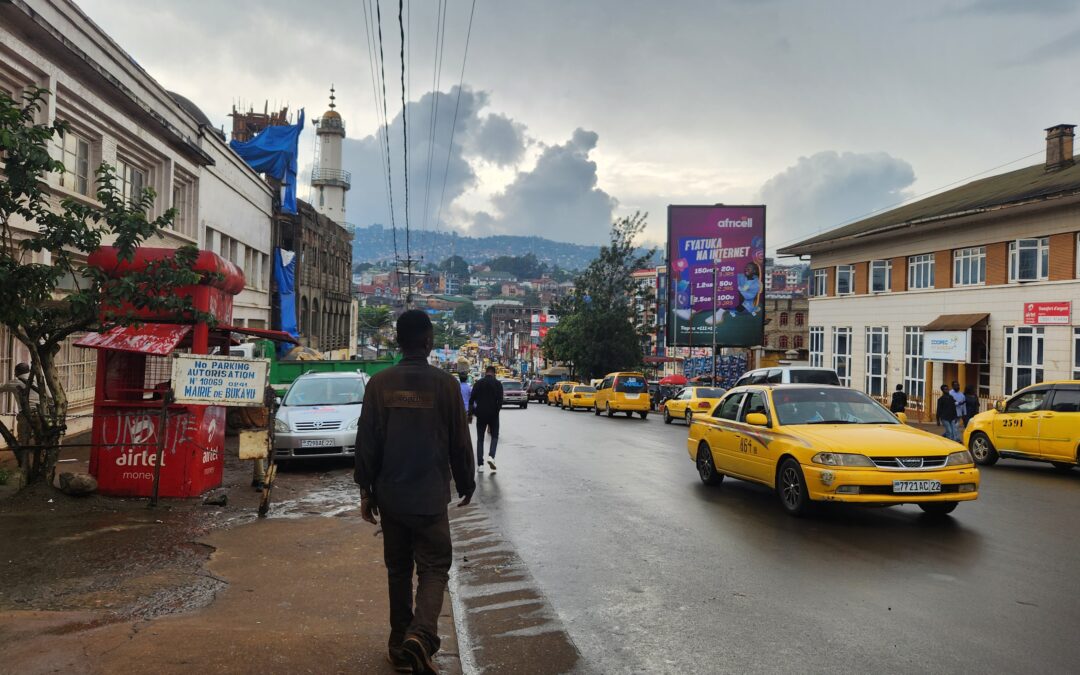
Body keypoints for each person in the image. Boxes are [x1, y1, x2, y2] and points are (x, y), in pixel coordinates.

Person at [355, 310, 475, 675]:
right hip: (429, 497)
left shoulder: (379, 384)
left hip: (391, 496)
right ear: (428, 342)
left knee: (398, 569)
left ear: (398, 341)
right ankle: (421, 637)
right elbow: (460, 442)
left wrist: (366, 490)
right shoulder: (446, 385)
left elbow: (367, 442)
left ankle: (398, 644)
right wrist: (466, 483)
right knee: (435, 566)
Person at [469, 366, 504, 473]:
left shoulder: (478, 383)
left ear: (486, 372)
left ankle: (480, 465)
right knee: (494, 436)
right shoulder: (498, 384)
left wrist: (474, 413)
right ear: (494, 373)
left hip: (481, 415)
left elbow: (471, 401)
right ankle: (491, 456)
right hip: (493, 415)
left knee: (480, 439)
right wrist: (495, 412)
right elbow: (500, 401)